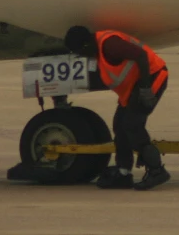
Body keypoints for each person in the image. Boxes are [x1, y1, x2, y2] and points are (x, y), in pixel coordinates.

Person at [64, 26, 170, 190]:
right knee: (119, 126)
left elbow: (141, 56)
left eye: (80, 52)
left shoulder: (109, 45)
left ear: (85, 45)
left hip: (152, 78)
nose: (82, 56)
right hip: (132, 89)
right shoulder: (98, 52)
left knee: (132, 125)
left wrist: (145, 89)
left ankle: (157, 171)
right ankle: (123, 173)